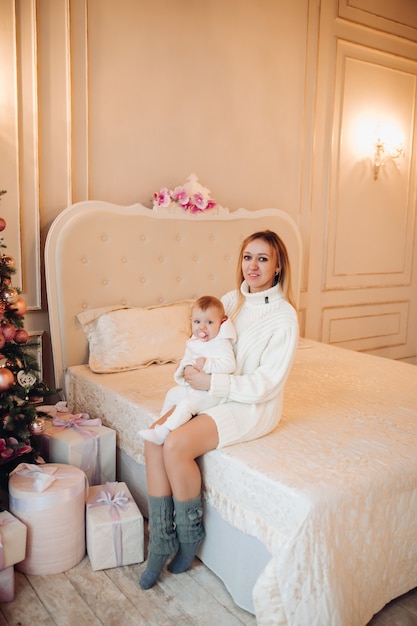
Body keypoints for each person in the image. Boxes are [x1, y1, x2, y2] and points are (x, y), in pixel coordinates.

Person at [139, 229, 299, 590]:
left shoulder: (285, 317)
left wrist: (212, 384)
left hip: (250, 404)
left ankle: (190, 537)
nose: (253, 266)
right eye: (247, 257)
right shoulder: (229, 301)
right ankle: (162, 539)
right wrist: (190, 372)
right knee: (153, 439)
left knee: (177, 445)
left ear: (277, 267)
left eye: (262, 258)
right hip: (210, 391)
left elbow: (267, 383)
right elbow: (201, 343)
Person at [138, 295, 236, 445]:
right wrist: (183, 367)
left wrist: (208, 364)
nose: (202, 327)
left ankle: (165, 432)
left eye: (209, 322)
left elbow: (229, 365)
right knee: (172, 394)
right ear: (191, 321)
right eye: (197, 322)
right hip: (194, 387)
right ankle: (161, 424)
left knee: (186, 405)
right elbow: (188, 357)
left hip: (211, 393)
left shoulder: (221, 343)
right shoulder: (194, 341)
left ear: (221, 322)